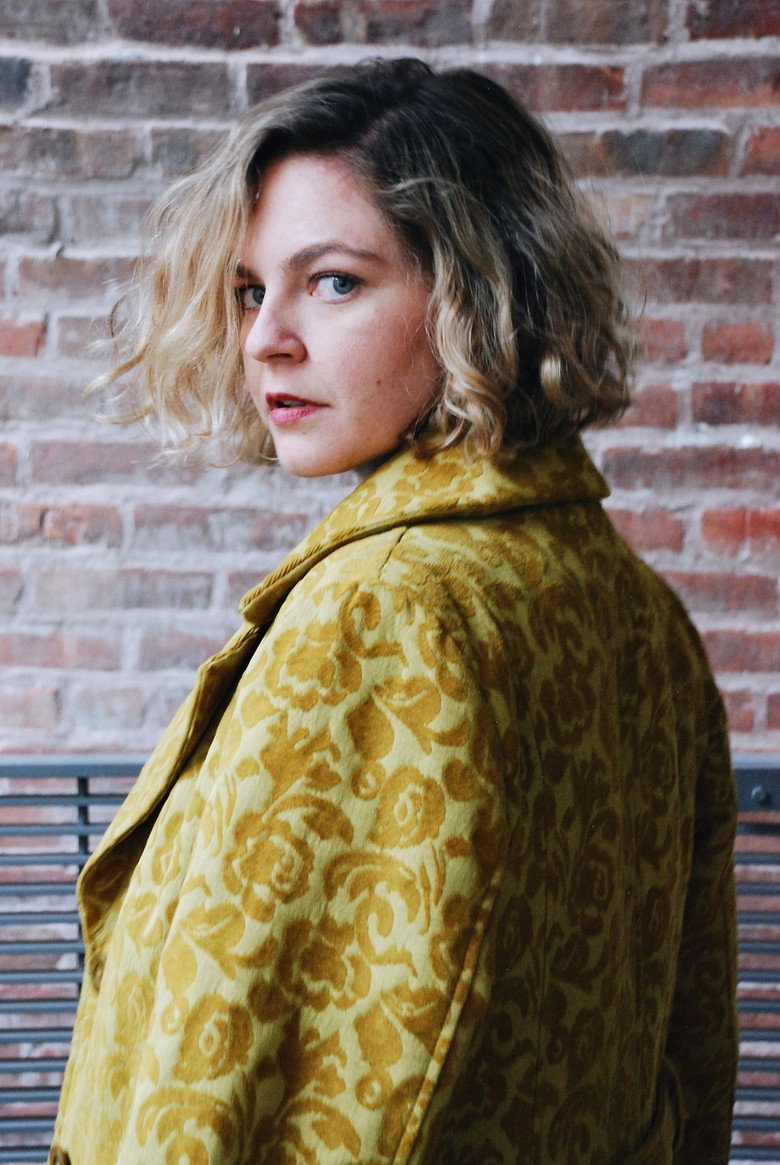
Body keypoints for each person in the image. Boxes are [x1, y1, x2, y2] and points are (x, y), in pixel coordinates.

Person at [49, 57, 737, 1165]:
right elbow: (690, 1055)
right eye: (249, 289)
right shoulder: (635, 608)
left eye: (332, 282)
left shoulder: (385, 612)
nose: (265, 337)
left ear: (481, 292)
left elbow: (249, 1093)